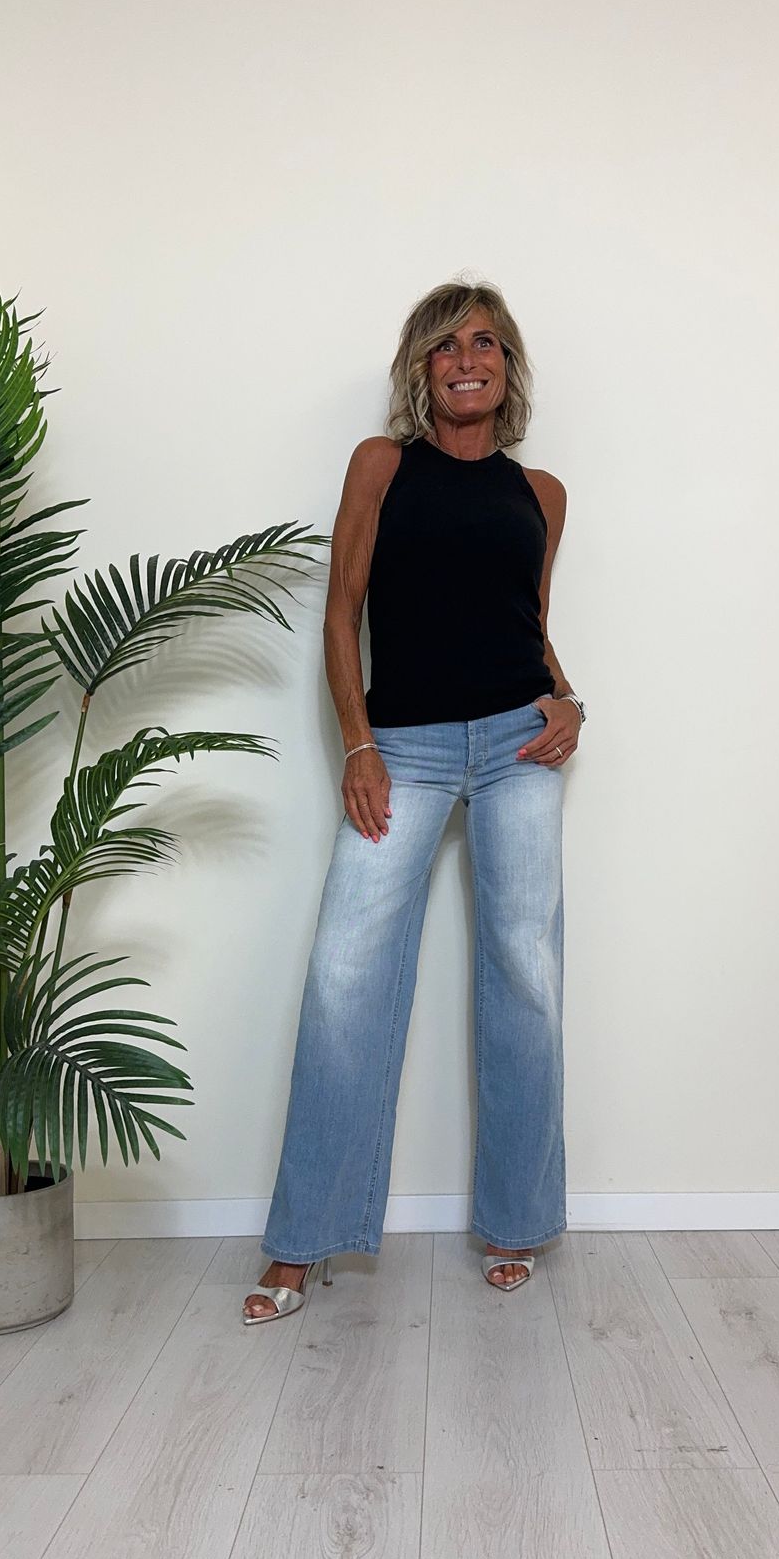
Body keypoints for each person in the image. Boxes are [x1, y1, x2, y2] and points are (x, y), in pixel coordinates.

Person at [243, 279, 585, 1323]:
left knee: (524, 972)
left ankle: (516, 1221)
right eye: (445, 346)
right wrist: (358, 743)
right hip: (404, 748)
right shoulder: (380, 465)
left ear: (507, 367)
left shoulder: (541, 494)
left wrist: (568, 700)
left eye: (483, 343)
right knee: (346, 973)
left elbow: (526, 625)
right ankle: (303, 1241)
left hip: (518, 745)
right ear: (421, 369)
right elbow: (340, 614)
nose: (465, 360)